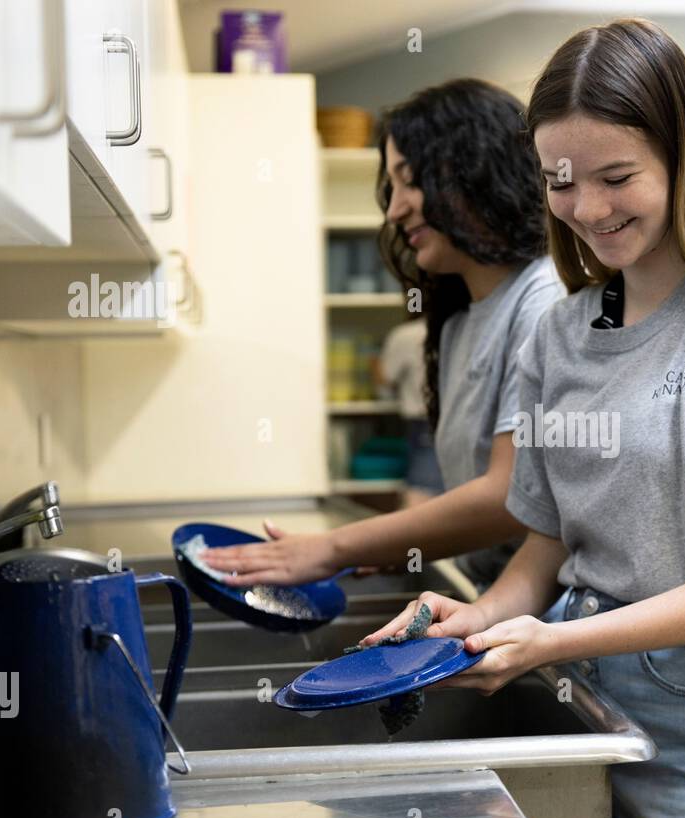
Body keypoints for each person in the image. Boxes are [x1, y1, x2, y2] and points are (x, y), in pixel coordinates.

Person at [363, 18, 685, 818]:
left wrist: (550, 641)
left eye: (617, 176)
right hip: (583, 706)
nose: (588, 208)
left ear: (682, 157)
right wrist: (478, 622)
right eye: (561, 181)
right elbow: (548, 547)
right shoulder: (560, 332)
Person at [203, 79, 564, 593]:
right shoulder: (461, 321)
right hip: (499, 602)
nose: (394, 209)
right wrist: (398, 548)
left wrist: (335, 546)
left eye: (409, 180)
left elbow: (510, 495)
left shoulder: (543, 298)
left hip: (549, 621)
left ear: (476, 170)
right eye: (391, 187)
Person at [377, 317, 442, 507]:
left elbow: (385, 381)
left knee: (422, 493)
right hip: (462, 421)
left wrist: (373, 364)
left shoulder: (407, 335)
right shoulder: (465, 325)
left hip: (425, 422)